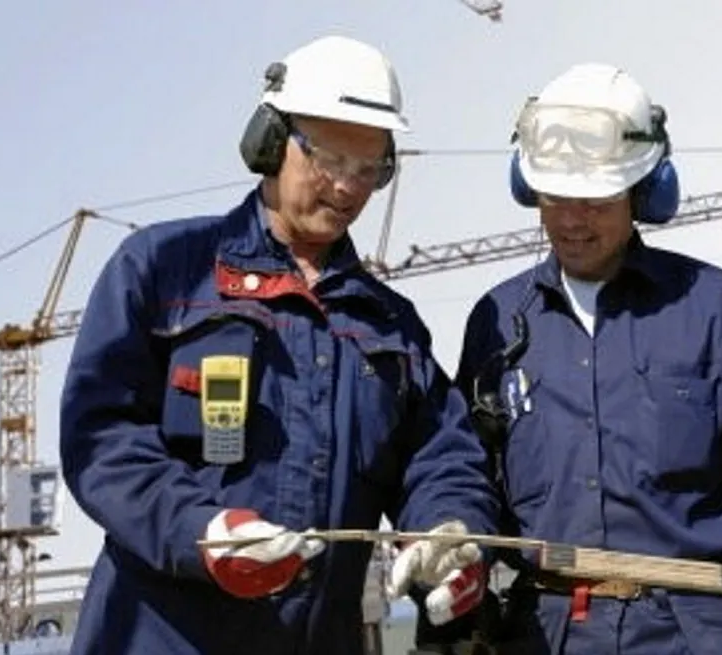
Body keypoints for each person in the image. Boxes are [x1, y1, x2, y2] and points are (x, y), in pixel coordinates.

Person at [59, 35, 499, 655]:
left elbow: (440, 457)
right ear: (269, 141)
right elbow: (102, 440)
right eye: (327, 159)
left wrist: (450, 532)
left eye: (368, 168)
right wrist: (202, 531)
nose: (348, 188)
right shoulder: (164, 271)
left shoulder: (391, 326)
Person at [425, 63, 722, 654]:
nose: (570, 220)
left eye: (594, 200)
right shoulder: (498, 321)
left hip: (700, 633)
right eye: (555, 197)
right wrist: (452, 539)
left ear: (644, 191)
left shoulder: (715, 309)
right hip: (547, 634)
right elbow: (465, 474)